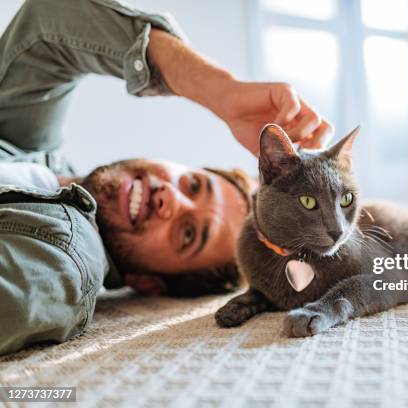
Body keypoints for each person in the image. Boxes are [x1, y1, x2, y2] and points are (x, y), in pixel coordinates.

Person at [0, 0, 333, 355]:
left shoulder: (64, 264)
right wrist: (223, 92)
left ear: (149, 283)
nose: (170, 199)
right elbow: (50, 21)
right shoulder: (30, 146)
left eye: (187, 233)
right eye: (192, 185)